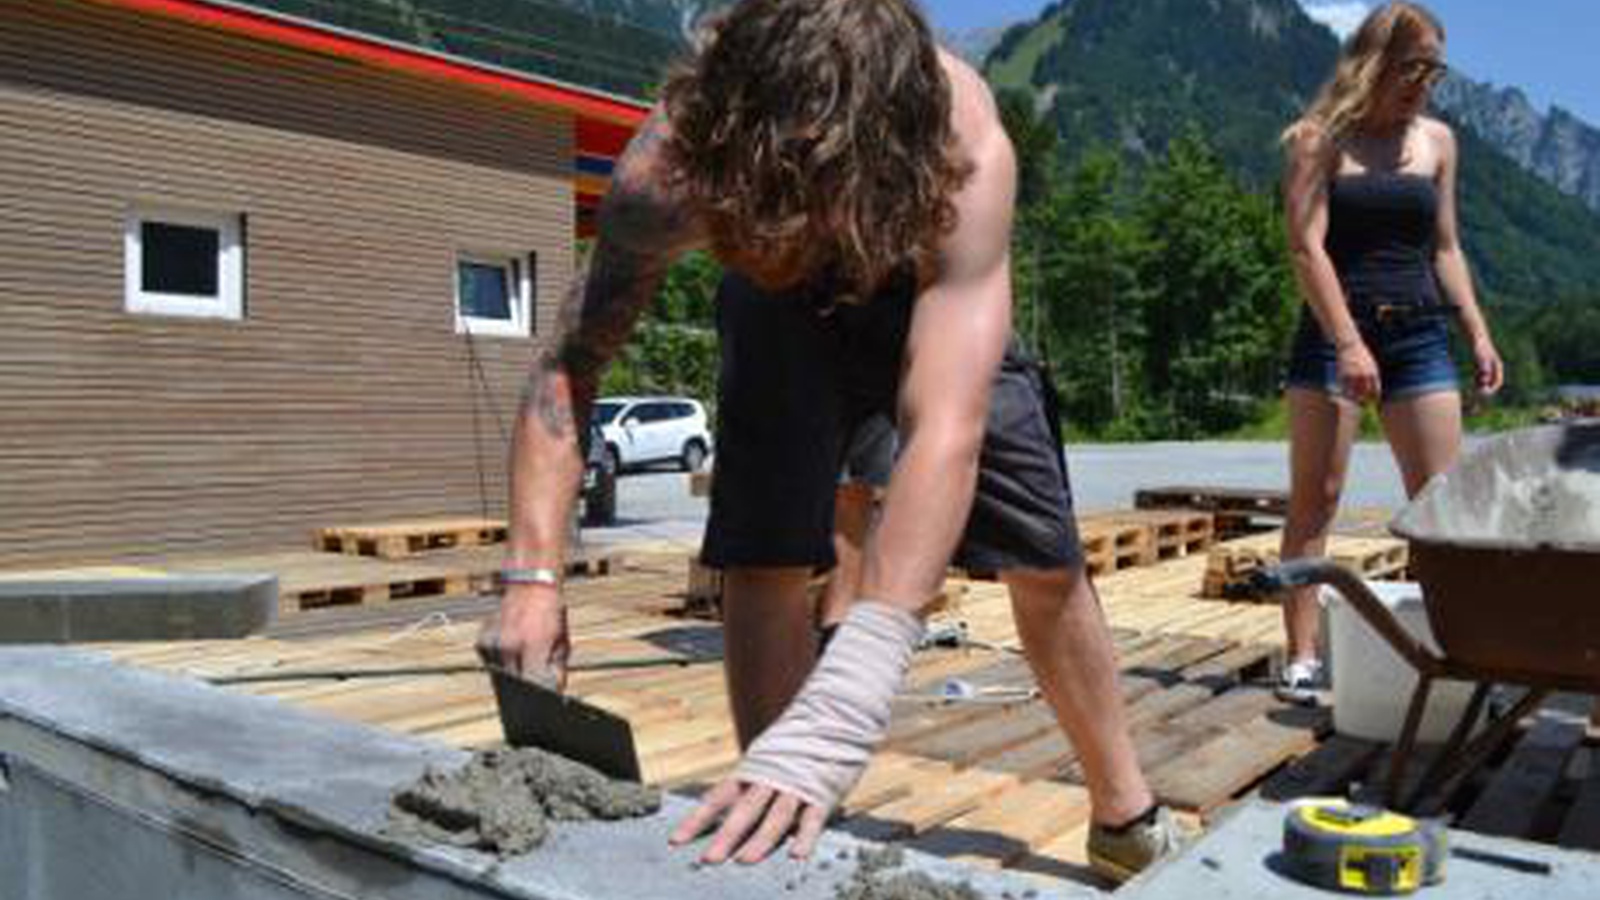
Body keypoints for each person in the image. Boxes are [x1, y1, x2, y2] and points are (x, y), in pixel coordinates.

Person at [476, 0, 1180, 879]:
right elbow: (568, 369)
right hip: (773, 308)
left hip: (923, 282)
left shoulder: (961, 152)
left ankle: (1124, 814)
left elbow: (943, 431)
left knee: (1043, 554)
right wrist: (532, 578)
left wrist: (853, 691)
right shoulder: (670, 169)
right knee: (764, 549)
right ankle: (787, 821)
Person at [1277, 1, 1503, 702]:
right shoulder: (1320, 140)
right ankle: (1302, 658)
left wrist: (1477, 330)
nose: (1424, 84)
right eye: (1412, 68)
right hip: (1332, 338)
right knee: (1319, 499)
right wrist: (1348, 340)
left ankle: (1458, 654)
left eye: (1435, 70)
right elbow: (1304, 246)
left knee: (1440, 508)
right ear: (1374, 62)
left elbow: (1445, 246)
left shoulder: (1438, 142)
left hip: (1419, 337)